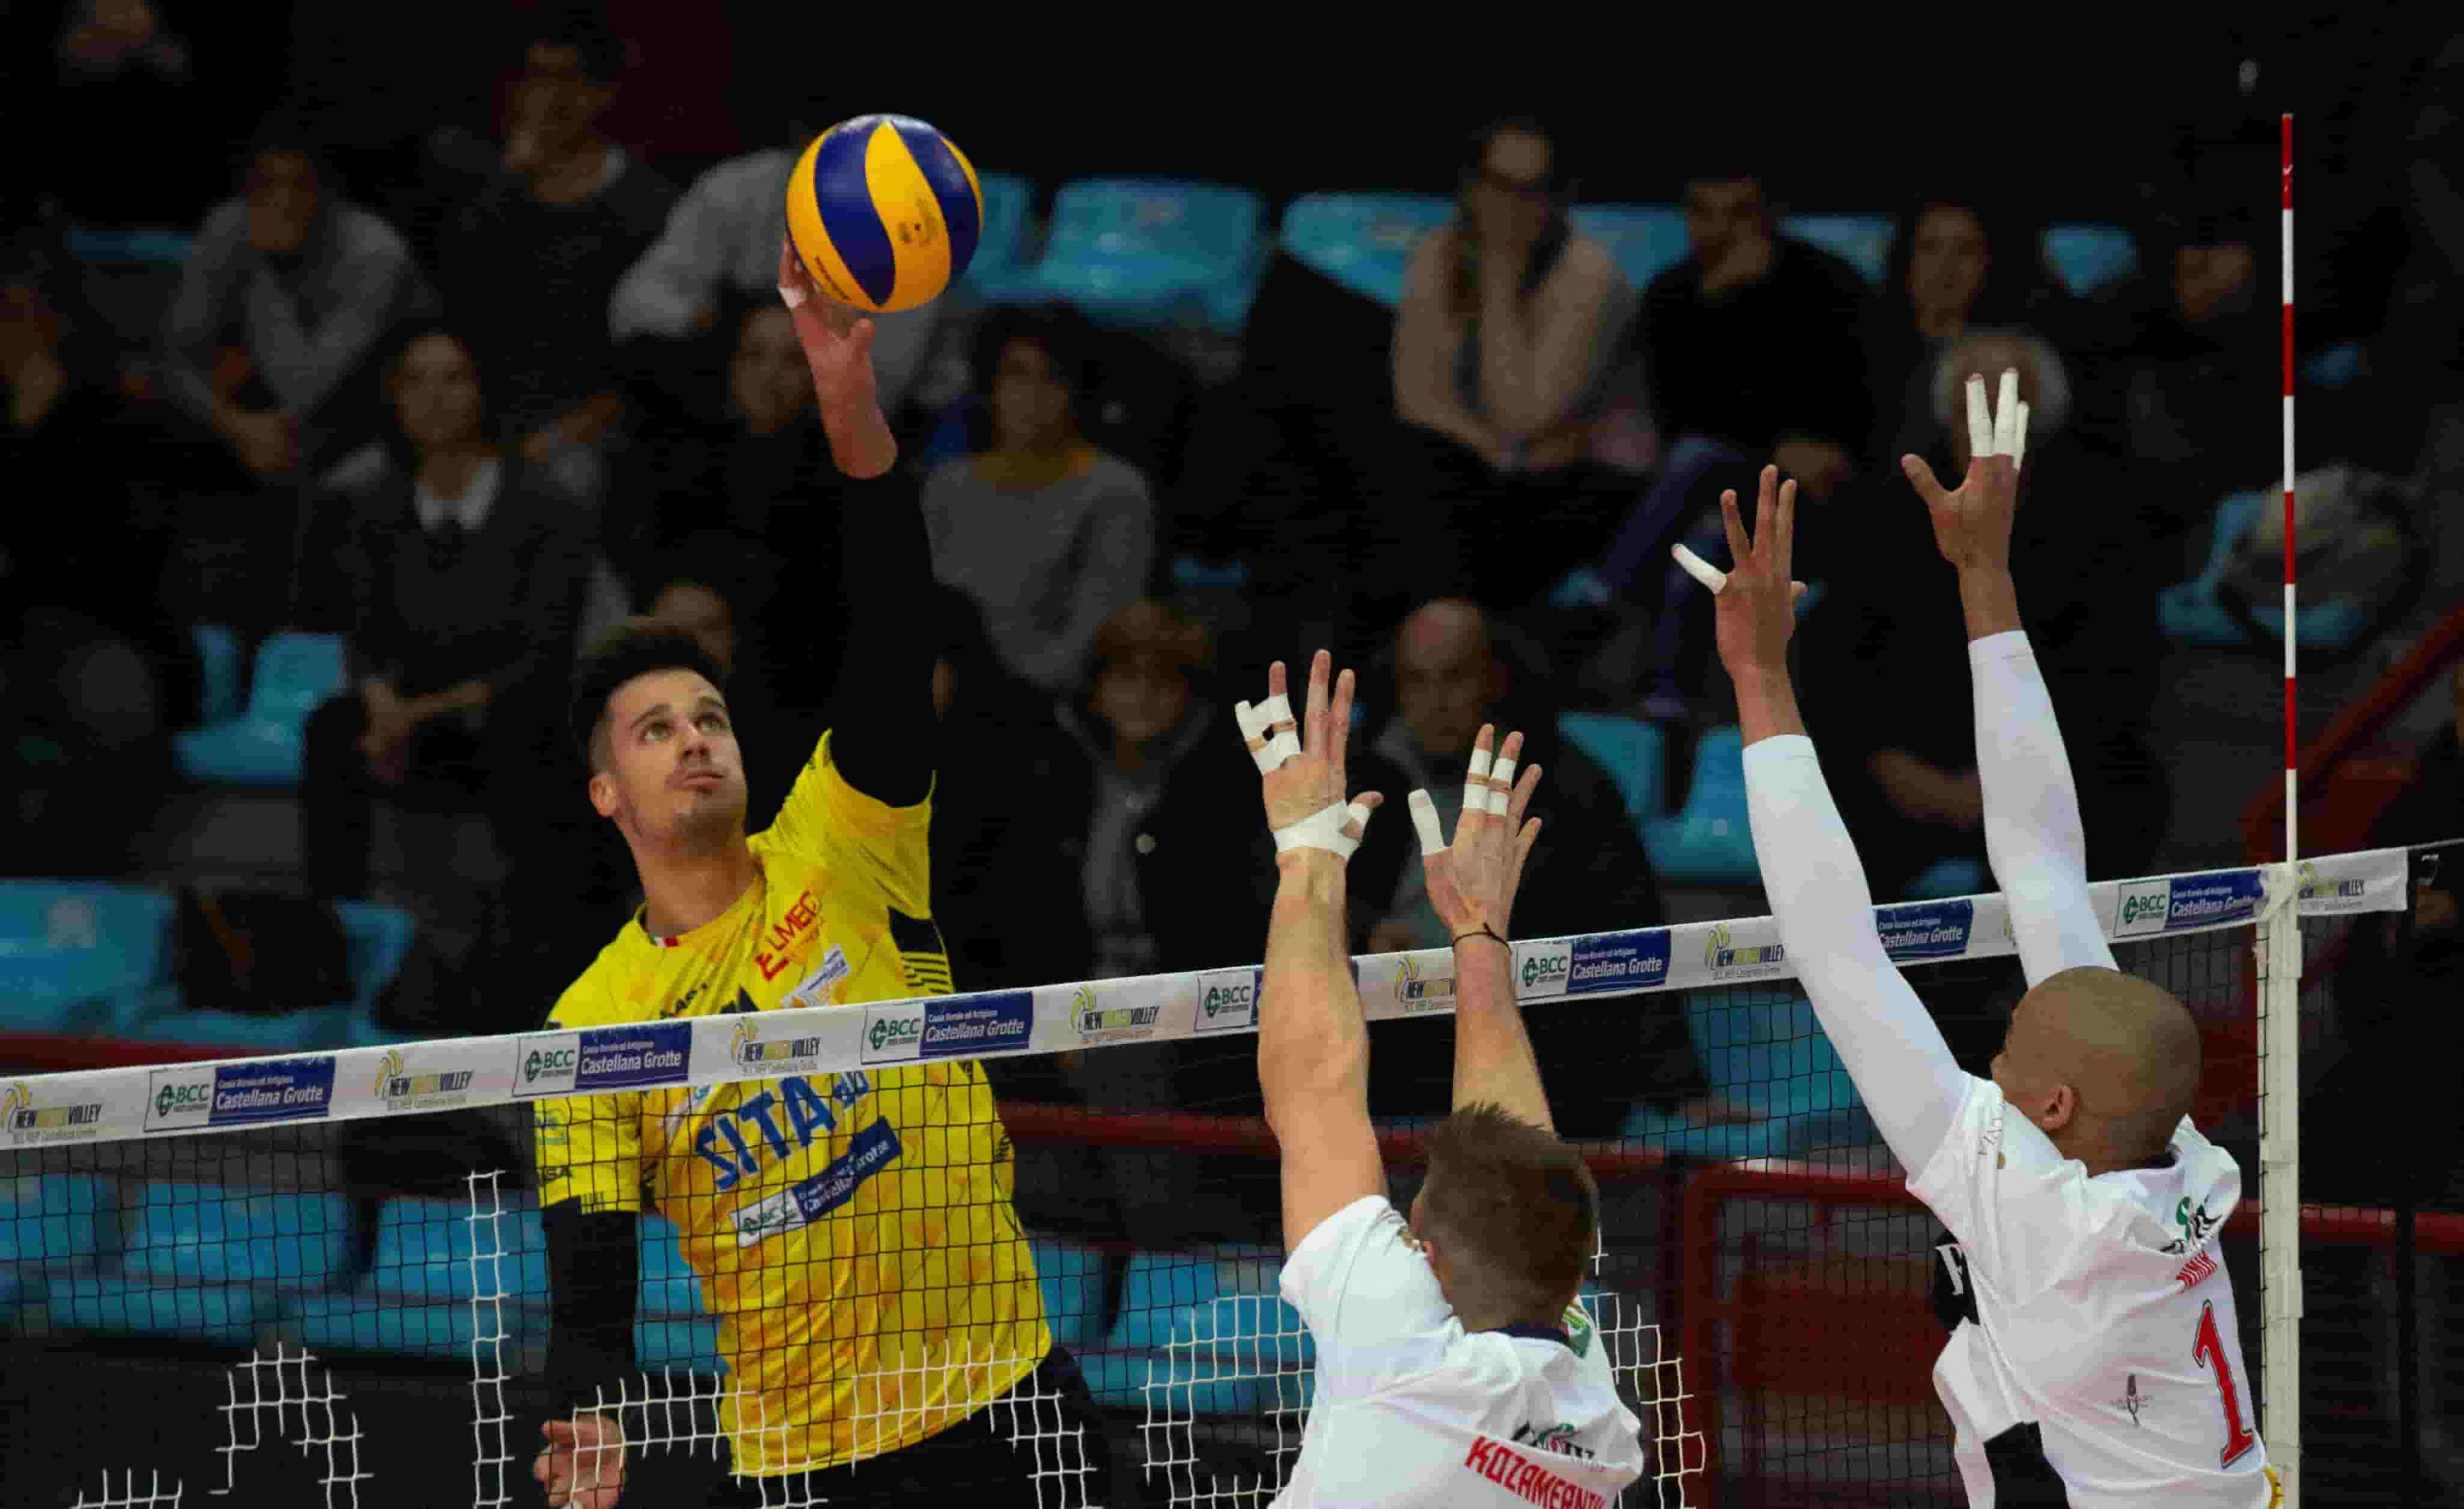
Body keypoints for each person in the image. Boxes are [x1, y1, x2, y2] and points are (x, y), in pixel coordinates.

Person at [526, 242, 1110, 1509]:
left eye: (709, 714)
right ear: (606, 796)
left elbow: (897, 623)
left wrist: (848, 398)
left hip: (1008, 1397)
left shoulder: (842, 835)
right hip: (808, 1461)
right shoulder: (592, 1022)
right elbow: (589, 1273)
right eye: (655, 728)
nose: (694, 735)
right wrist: (587, 1414)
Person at [1692, 380, 2278, 1501]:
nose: (1990, 1063)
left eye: (2008, 1049)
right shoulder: (2179, 1167)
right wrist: (1985, 580)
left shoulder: (2030, 1207)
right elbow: (2047, 866)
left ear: (2050, 1109)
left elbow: (1835, 948)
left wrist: (1762, 675)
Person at [1240, 651, 1644, 1506]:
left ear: (1428, 1261)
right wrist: (1477, 934)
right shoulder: (1598, 1423)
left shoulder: (1405, 1355)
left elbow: (1312, 1086)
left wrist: (1308, 853)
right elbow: (1517, 1160)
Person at [297, 322, 603, 1024]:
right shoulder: (374, 509)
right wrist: (381, 710)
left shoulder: (548, 508)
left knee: (530, 738)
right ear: (394, 399)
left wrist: (415, 714)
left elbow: (542, 655)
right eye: (415, 380)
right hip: (412, 722)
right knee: (328, 732)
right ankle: (331, 944)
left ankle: (520, 977)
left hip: (512, 715)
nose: (433, 397)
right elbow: (366, 635)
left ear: (483, 392)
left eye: (452, 378)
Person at [1352, 598, 1731, 1136]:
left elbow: (1630, 930)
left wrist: (1680, 1087)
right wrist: (1364, 929)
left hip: (1536, 1048)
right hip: (1395, 1044)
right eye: (1417, 681)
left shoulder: (1571, 789)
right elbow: (1299, 895)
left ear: (1494, 678)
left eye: (1454, 678)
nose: (1435, 701)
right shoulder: (1360, 778)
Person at [1381, 116, 1644, 614]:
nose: (1512, 206)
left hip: (1587, 482)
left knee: (1441, 515)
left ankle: (1452, 645)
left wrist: (1501, 272)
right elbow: (1416, 397)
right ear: (1470, 187)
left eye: (1532, 190)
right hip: (1492, 467)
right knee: (1403, 469)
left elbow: (1520, 414)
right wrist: (1493, 450)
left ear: (1557, 198)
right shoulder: (1442, 252)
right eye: (1498, 186)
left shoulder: (1588, 273)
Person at [438, 14, 675, 483]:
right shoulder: (495, 193)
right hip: (483, 413)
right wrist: (508, 184)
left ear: (602, 94)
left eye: (565, 77)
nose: (547, 96)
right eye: (535, 77)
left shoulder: (645, 204)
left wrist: (565, 434)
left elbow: (650, 361)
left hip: (592, 425)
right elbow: (459, 305)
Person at [160, 115, 437, 483]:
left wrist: (263, 265)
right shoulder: (228, 226)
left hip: (385, 417)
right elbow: (174, 357)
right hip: (269, 415)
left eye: (299, 186)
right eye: (266, 185)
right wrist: (237, 426)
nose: (282, 201)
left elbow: (302, 390)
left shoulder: (376, 252)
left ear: (329, 194)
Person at [921, 306, 1158, 697]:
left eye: (1054, 379)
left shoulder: (1115, 491)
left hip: (1043, 703)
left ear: (1079, 393)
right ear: (990, 386)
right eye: (1016, 375)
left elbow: (1099, 631)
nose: (1032, 396)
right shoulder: (947, 485)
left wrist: (990, 692)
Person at [1634, 172, 1871, 505]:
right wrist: (1715, 303)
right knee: (1697, 469)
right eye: (1703, 212)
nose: (1719, 231)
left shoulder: (1829, 284)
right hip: (1712, 466)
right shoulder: (1670, 295)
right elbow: (1676, 414)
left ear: (1770, 215)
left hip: (1819, 471)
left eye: (1738, 213)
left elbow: (1853, 398)